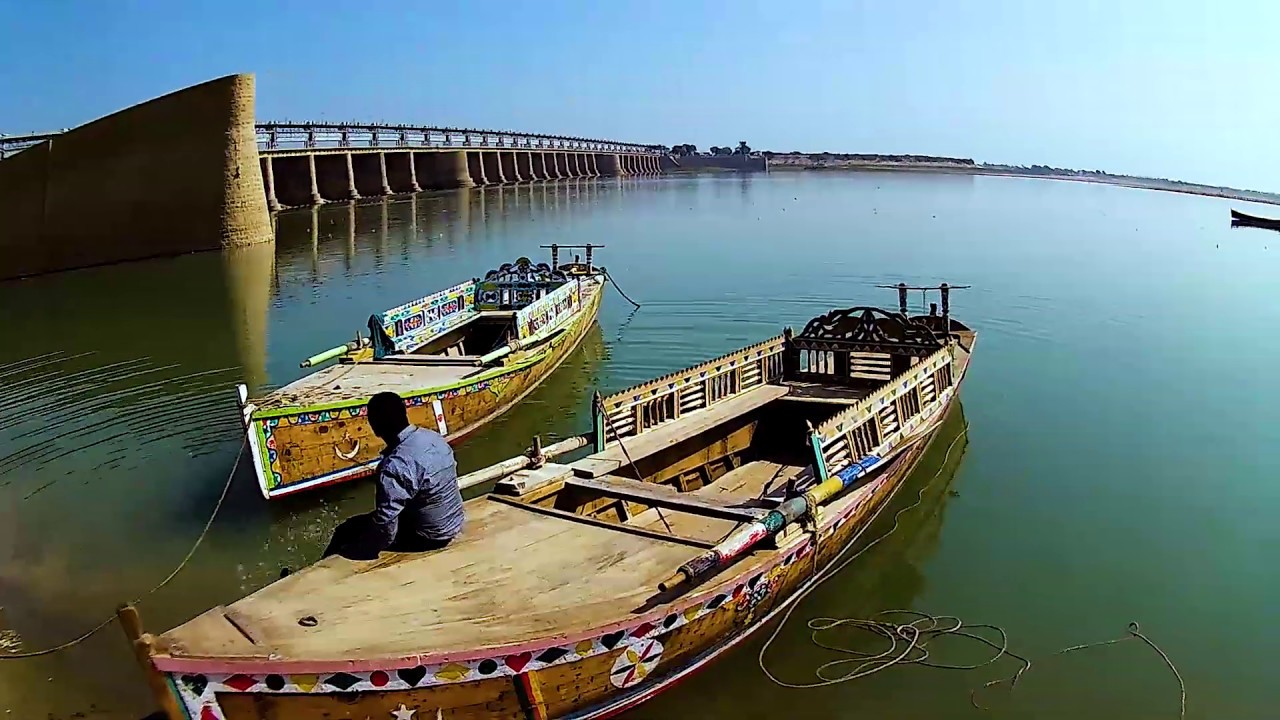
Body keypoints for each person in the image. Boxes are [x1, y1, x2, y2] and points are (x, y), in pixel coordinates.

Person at [322, 391, 465, 560]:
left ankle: (321, 571)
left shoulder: (394, 466)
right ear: (404, 414)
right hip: (454, 522)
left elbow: (386, 527)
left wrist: (363, 548)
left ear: (375, 427)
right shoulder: (433, 438)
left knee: (346, 530)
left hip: (429, 537)